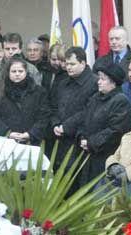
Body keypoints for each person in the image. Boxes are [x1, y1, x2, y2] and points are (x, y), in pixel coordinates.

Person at [76, 64, 131, 186]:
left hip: (106, 157)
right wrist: (81, 137)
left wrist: (91, 143)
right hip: (88, 156)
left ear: (113, 83)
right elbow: (83, 120)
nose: (98, 82)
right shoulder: (95, 98)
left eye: (102, 79)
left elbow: (115, 131)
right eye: (99, 78)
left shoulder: (121, 101)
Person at [50, 47, 98, 177]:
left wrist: (66, 126)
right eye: (66, 63)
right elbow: (54, 107)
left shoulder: (94, 82)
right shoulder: (63, 83)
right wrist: (55, 124)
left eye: (72, 64)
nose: (68, 67)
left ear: (83, 63)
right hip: (60, 139)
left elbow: (88, 110)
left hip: (79, 140)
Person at [0, 57, 49, 146]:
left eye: (20, 71)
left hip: (32, 142)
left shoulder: (39, 92)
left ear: (26, 72)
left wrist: (30, 134)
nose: (17, 74)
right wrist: (8, 133)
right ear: (8, 73)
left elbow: (44, 116)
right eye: (14, 71)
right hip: (6, 141)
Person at [0, 33, 42, 112]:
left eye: (14, 48)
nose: (10, 52)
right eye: (7, 49)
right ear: (3, 49)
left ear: (20, 49)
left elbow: (37, 95)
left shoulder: (32, 70)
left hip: (25, 115)